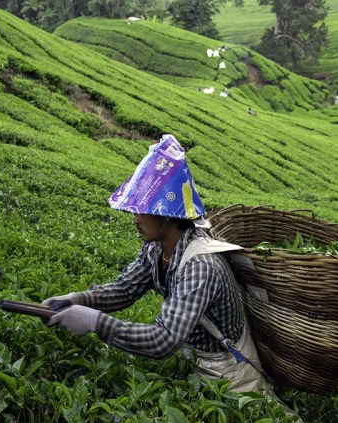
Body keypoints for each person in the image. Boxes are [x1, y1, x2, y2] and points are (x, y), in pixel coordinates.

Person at [43, 135, 271, 394]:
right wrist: (77, 300)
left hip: (228, 367)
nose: (135, 218)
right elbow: (125, 290)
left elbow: (163, 340)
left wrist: (96, 322)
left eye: (142, 209)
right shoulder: (156, 248)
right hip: (192, 356)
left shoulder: (201, 265)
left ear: (167, 214)